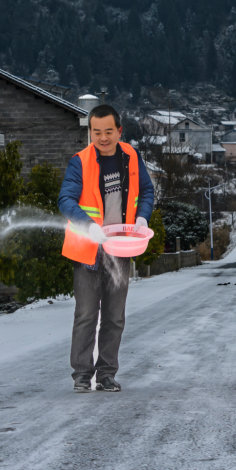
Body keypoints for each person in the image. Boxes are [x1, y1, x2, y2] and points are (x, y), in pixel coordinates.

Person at [58, 104, 155, 393]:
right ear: (90, 132)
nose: (102, 137)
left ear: (119, 131)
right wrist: (89, 226)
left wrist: (142, 216)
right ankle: (81, 375)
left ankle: (107, 375)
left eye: (108, 131)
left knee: (114, 316)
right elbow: (66, 200)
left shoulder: (132, 157)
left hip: (120, 248)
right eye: (96, 132)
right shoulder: (80, 161)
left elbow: (147, 191)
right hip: (87, 249)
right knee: (87, 314)